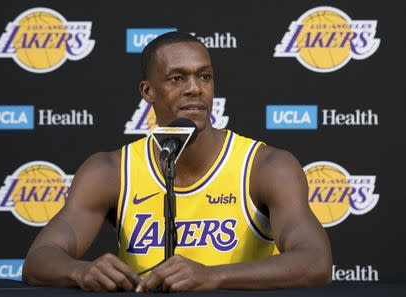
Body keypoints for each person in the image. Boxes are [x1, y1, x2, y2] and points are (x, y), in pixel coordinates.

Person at [23, 32, 332, 292]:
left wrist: (215, 276)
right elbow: (39, 259)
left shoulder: (265, 166)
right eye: (177, 78)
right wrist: (81, 272)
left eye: (205, 76)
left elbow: (316, 261)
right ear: (148, 91)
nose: (195, 88)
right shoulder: (111, 170)